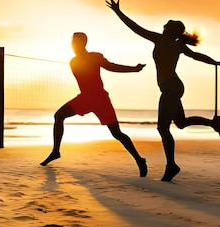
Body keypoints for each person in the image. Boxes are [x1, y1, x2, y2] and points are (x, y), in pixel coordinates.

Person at [106, 0, 220, 182]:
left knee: (163, 127)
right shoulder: (178, 44)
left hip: (171, 87)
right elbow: (196, 56)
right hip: (174, 87)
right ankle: (212, 124)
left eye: (167, 24)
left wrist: (118, 12)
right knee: (181, 122)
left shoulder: (161, 39)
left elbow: (135, 28)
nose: (164, 25)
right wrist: (213, 62)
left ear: (172, 31)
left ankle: (171, 166)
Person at [40, 32, 148, 177]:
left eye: (75, 42)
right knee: (59, 116)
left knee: (116, 133)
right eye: (72, 42)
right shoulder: (74, 61)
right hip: (85, 98)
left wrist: (133, 69)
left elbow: (111, 67)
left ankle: (139, 160)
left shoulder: (94, 57)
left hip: (100, 99)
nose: (72, 45)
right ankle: (55, 151)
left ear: (83, 43)